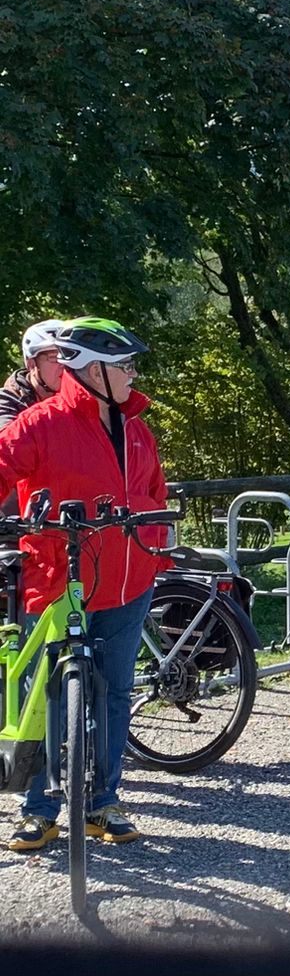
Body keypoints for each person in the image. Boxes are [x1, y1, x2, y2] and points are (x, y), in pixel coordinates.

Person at [0, 318, 173, 851]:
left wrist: (156, 549)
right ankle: (39, 810)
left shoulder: (137, 428)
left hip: (129, 581)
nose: (133, 374)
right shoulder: (39, 424)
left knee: (116, 692)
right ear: (93, 370)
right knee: (47, 694)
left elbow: (155, 492)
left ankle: (103, 801)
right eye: (125, 365)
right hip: (61, 581)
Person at [0, 320, 67, 431]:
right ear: (31, 364)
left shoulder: (83, 397)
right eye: (54, 358)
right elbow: (7, 438)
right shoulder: (6, 402)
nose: (64, 365)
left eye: (69, 357)